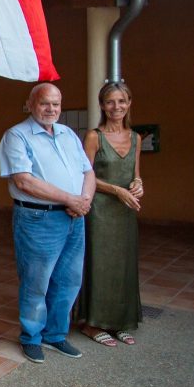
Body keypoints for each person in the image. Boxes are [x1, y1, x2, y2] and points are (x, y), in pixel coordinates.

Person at [0, 83, 95, 364]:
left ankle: (55, 335)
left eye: (56, 104)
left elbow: (87, 171)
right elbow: (23, 180)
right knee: (36, 281)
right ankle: (31, 337)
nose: (51, 109)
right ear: (30, 104)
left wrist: (84, 199)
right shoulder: (16, 136)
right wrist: (71, 199)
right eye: (44, 103)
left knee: (69, 280)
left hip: (74, 217)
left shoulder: (68, 135)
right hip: (38, 218)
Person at [75, 82, 144, 347]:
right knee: (99, 265)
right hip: (100, 211)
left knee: (123, 265)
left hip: (126, 210)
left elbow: (135, 173)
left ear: (129, 104)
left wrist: (138, 184)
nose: (117, 107)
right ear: (103, 106)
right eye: (111, 102)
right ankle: (92, 324)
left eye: (122, 101)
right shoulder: (94, 137)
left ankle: (120, 322)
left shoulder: (136, 138)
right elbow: (85, 174)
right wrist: (116, 190)